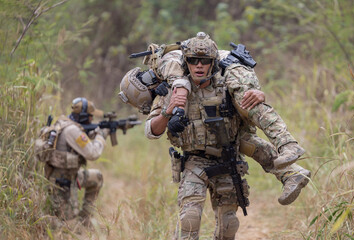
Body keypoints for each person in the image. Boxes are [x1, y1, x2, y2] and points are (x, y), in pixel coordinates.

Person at [142, 33, 310, 239]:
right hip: (194, 161)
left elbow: (249, 104)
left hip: (228, 157)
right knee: (189, 219)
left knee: (228, 226)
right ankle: (289, 170)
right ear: (186, 62)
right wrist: (168, 111)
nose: (199, 65)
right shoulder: (172, 86)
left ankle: (289, 164)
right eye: (193, 60)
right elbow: (151, 131)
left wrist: (258, 94)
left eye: (205, 61)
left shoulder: (228, 83)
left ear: (214, 62)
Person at [34, 97, 109, 227]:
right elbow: (93, 153)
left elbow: (79, 138)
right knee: (69, 227)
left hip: (70, 176)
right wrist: (100, 137)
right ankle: (41, 221)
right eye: (90, 117)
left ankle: (86, 219)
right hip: (62, 184)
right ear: (84, 116)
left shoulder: (64, 122)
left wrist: (94, 133)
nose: (92, 119)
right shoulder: (73, 130)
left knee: (97, 177)